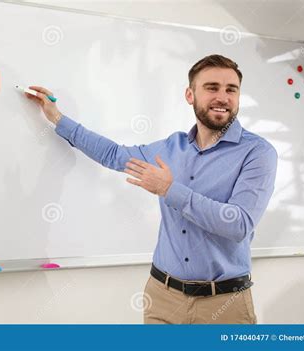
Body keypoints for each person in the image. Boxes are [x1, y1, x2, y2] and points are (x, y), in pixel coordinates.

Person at [24, 54, 277, 324]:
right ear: (190, 95)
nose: (223, 97)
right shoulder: (171, 147)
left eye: (231, 89)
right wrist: (57, 118)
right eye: (212, 87)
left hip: (224, 305)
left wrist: (170, 189)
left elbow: (238, 224)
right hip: (163, 298)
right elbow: (114, 154)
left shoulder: (258, 152)